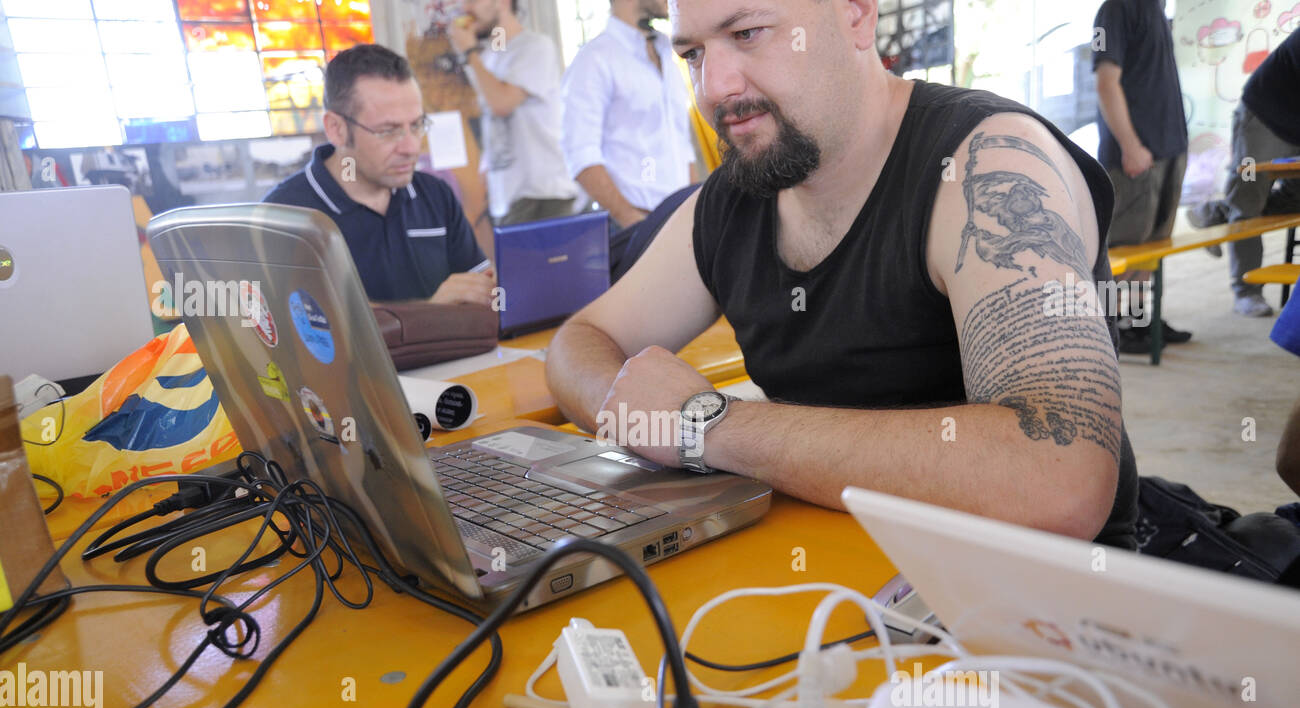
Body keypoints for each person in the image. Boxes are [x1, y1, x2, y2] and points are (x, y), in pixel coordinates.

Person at [546, 0, 1140, 549]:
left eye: (748, 33)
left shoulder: (987, 162)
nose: (714, 88)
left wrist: (707, 425)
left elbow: (1062, 479)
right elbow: (579, 344)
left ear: (856, 13)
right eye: (693, 54)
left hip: (1032, 621)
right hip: (831, 587)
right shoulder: (734, 198)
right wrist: (643, 412)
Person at [264, 44, 495, 306]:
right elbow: (310, 328)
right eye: (388, 130)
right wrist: (431, 312)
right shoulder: (283, 217)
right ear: (337, 129)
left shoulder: (436, 196)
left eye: (417, 125)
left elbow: (483, 293)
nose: (411, 147)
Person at [1092, 0, 1192, 353]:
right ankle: (1110, 327)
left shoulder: (1156, 8)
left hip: (1169, 149)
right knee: (1123, 245)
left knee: (1152, 246)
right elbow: (1106, 83)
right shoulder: (1116, 9)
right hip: (1135, 154)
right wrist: (1130, 145)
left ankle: (1137, 320)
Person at [1187, 29, 1300, 319]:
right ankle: (1247, 292)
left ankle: (1216, 212)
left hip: (1296, 127)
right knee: (1248, 202)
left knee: (1295, 202)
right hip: (1262, 121)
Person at [561, 0, 696, 230]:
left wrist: (694, 211)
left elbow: (682, 145)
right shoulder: (594, 59)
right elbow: (581, 155)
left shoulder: (667, 53)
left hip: (679, 221)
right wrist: (633, 223)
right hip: (631, 225)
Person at [448, 0, 579, 225]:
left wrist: (469, 52)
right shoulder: (488, 56)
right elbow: (493, 112)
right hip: (506, 197)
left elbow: (502, 103)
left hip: (542, 195)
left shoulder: (535, 47)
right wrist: (487, 166)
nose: (466, 8)